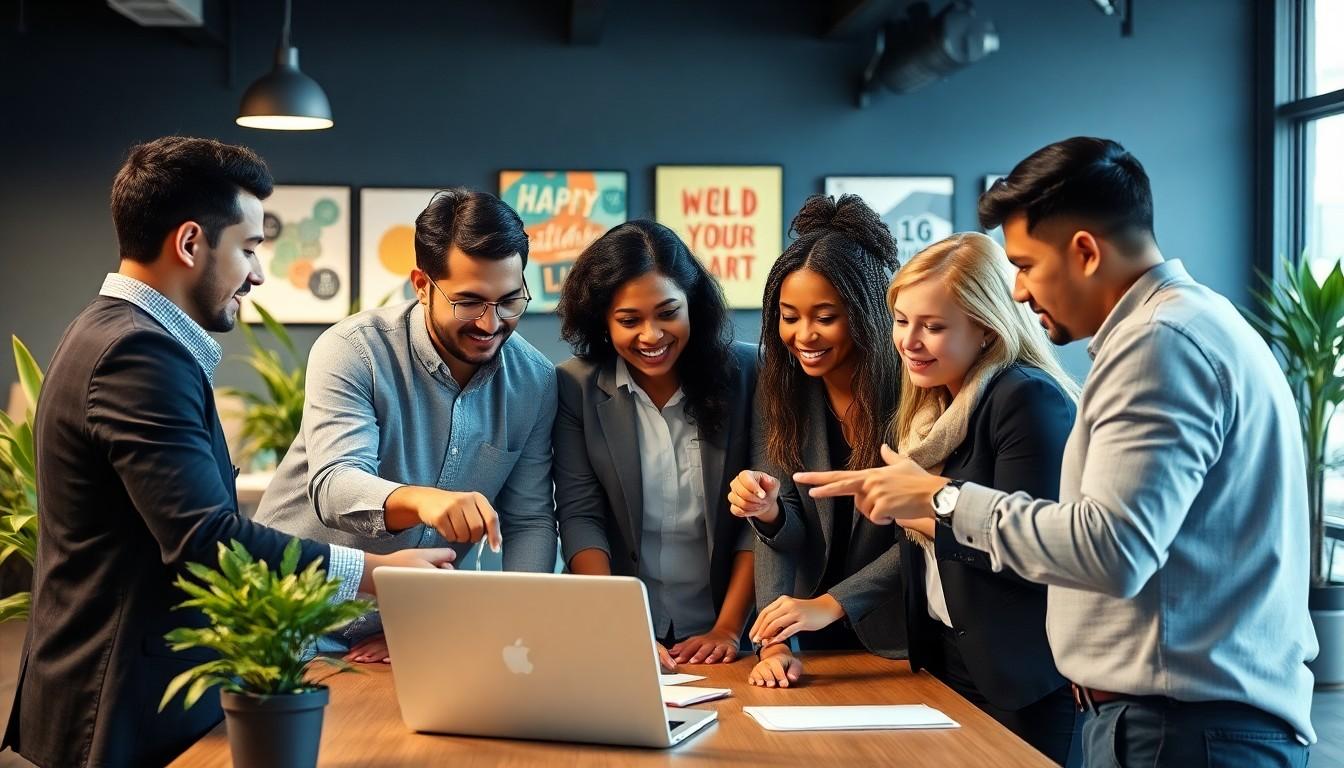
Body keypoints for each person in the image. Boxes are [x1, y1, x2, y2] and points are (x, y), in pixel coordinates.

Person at [799, 137, 1317, 766]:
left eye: (1025, 264)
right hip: (1176, 719)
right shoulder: (1194, 323)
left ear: (1084, 252)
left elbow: (1112, 548)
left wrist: (941, 499)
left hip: (1178, 728)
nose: (1017, 290)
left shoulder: (1159, 345)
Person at [0, 137, 455, 768]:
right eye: (248, 248)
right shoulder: (141, 355)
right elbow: (205, 539)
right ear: (190, 244)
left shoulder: (107, 331)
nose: (259, 273)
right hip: (123, 702)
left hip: (114, 688)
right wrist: (377, 575)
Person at [254, 188, 559, 663]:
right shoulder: (354, 350)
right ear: (421, 284)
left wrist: (510, 630)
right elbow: (335, 486)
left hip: (401, 636)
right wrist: (424, 501)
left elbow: (531, 520)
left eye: (509, 301)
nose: (490, 322)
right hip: (284, 620)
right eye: (469, 302)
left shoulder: (535, 381)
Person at [886, 231, 1080, 765]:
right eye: (903, 321)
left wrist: (920, 510)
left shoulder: (1025, 397)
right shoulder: (928, 409)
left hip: (1023, 679)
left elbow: (1032, 554)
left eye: (934, 326)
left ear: (987, 330)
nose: (909, 341)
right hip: (948, 660)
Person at [553, 220, 758, 670]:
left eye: (668, 313)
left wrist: (728, 628)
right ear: (603, 322)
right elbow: (580, 515)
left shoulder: (750, 374)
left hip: (735, 637)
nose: (651, 335)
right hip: (619, 630)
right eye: (629, 320)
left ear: (693, 308)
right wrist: (617, 624)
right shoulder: (576, 386)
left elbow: (757, 520)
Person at [728, 193, 906, 688]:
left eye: (825, 317)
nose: (804, 334)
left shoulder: (915, 393)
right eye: (789, 316)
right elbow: (784, 536)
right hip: (817, 641)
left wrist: (832, 605)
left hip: (907, 641)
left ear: (866, 313)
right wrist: (775, 642)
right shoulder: (784, 388)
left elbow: (921, 533)